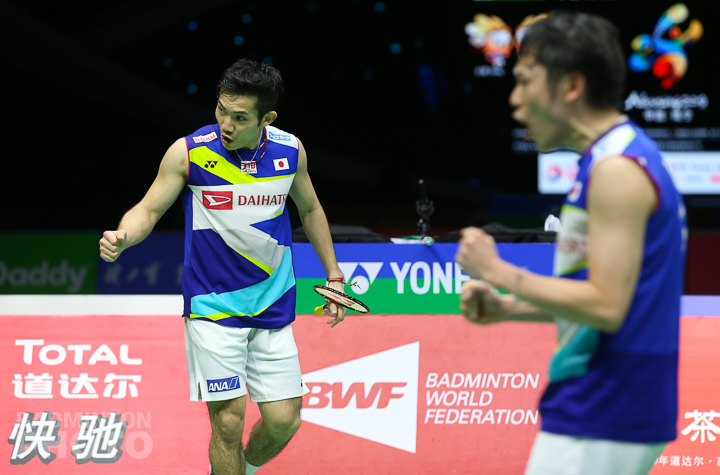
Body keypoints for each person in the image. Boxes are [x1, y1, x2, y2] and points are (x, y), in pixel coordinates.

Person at [455, 11, 687, 475]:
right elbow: (614, 301)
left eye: (525, 81)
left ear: (572, 86)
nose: (514, 99)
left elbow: (607, 306)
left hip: (606, 405)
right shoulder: (610, 159)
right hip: (604, 401)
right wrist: (509, 308)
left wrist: (499, 272)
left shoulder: (618, 170)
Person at [99, 58, 347, 475]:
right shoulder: (190, 153)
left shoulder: (290, 150)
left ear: (267, 119)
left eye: (240, 117)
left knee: (284, 421)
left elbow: (310, 209)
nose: (226, 124)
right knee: (228, 422)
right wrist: (124, 235)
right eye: (221, 110)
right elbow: (148, 209)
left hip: (272, 304)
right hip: (212, 306)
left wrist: (334, 276)